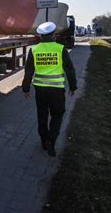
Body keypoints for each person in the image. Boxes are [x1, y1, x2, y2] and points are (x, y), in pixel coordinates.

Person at [22, 22, 77, 157]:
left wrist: (26, 88)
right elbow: (69, 68)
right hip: (56, 90)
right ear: (53, 35)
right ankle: (51, 140)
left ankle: (43, 140)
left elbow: (29, 70)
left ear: (40, 35)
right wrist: (73, 86)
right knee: (57, 115)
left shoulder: (34, 49)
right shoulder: (60, 49)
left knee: (42, 116)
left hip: (40, 90)